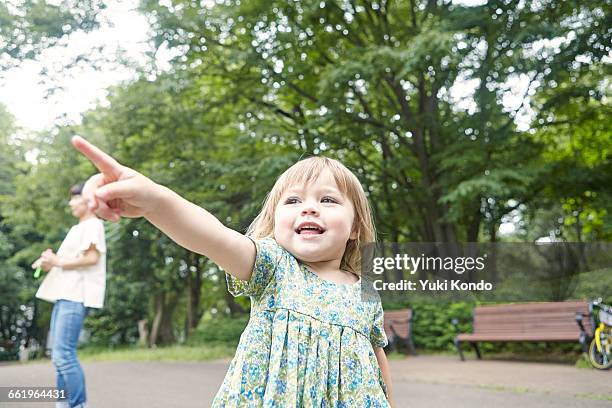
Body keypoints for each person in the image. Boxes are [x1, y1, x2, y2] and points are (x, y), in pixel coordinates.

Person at [71, 135, 394, 407]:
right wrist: (156, 200)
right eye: (293, 201)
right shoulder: (272, 266)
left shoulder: (364, 291)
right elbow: (212, 236)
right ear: (275, 221)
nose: (309, 207)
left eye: (327, 200)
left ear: (355, 228)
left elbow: (376, 356)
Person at [32, 181, 106, 408]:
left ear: (89, 200)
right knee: (59, 356)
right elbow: (67, 262)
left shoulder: (93, 224)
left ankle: (77, 405)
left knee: (64, 355)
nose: (71, 203)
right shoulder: (78, 228)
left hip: (76, 296)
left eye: (75, 198)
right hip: (65, 295)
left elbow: (92, 258)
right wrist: (49, 263)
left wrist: (57, 261)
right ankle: (64, 404)